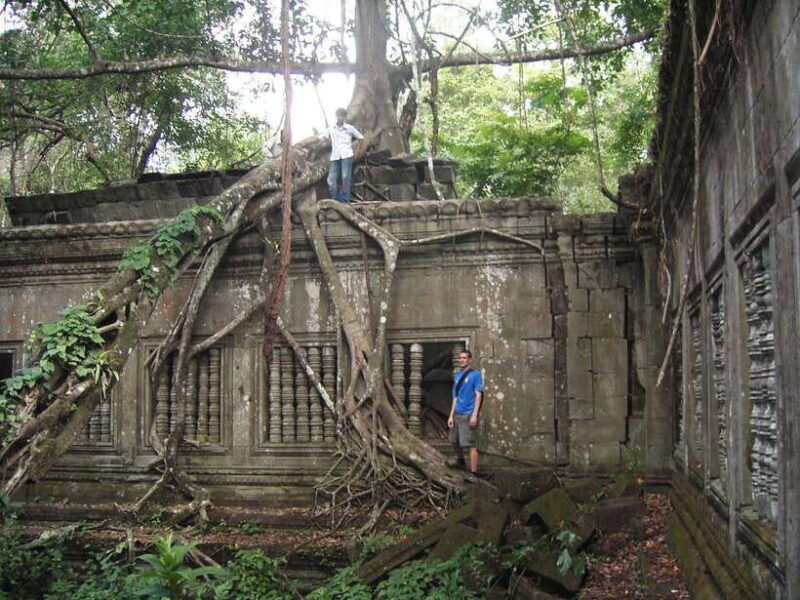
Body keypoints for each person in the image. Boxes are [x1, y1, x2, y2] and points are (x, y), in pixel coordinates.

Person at [447, 349, 483, 482]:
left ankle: (474, 472)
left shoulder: (475, 375)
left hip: (468, 414)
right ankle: (461, 461)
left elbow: (478, 395)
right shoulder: (457, 376)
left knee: (471, 444)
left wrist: (474, 415)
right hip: (457, 413)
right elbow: (455, 397)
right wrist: (451, 415)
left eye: (464, 358)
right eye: (460, 358)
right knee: (454, 440)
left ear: (470, 359)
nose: (461, 360)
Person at [320, 108, 364, 203]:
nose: (340, 118)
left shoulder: (350, 128)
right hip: (335, 156)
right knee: (331, 180)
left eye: (342, 116)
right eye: (338, 115)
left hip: (347, 155)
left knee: (345, 177)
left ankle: (344, 199)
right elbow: (320, 137)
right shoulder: (331, 129)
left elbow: (361, 138)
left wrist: (357, 152)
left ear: (345, 117)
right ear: (336, 116)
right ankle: (335, 198)